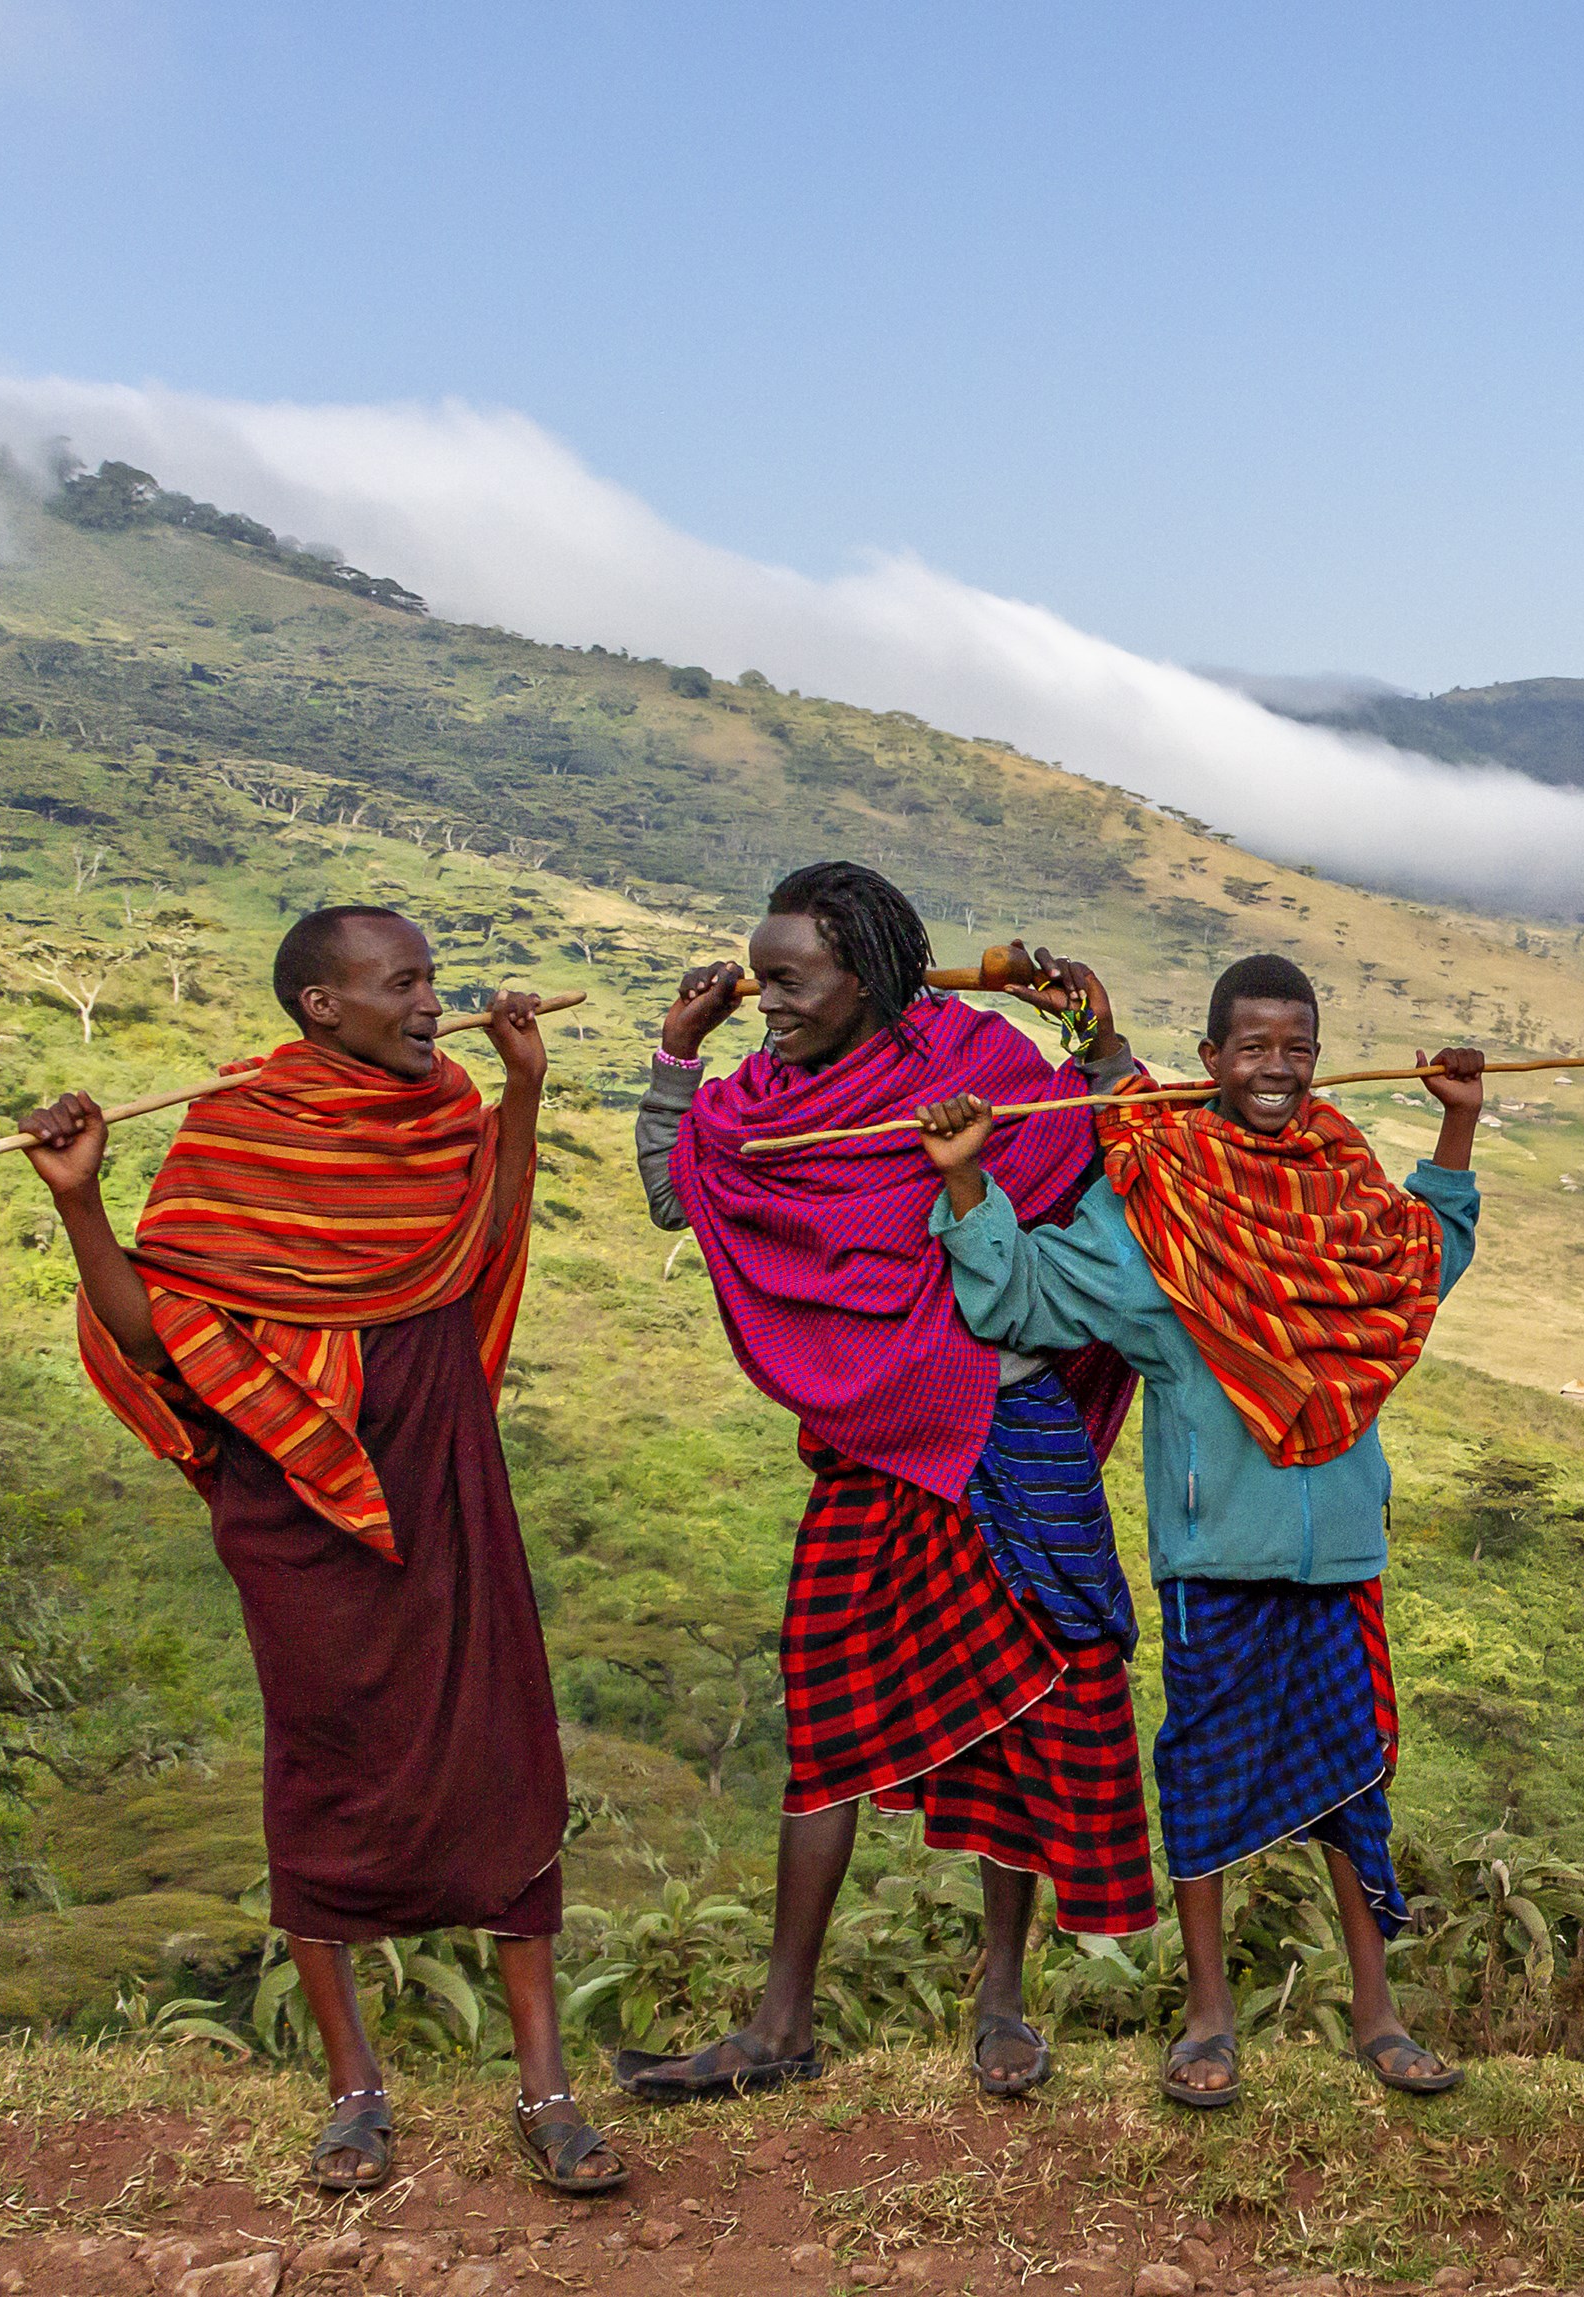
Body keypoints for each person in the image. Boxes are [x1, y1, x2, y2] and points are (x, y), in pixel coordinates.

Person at [19, 908, 622, 2198]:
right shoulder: (235, 1132)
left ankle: (547, 2091)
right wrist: (85, 1207)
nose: (429, 1004)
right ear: (321, 1007)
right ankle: (356, 2096)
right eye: (402, 985)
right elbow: (150, 1336)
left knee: (502, 1753)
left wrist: (521, 1091)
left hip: (443, 1463)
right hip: (293, 1492)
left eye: (431, 984)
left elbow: (487, 1244)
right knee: (324, 1771)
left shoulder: (449, 1101)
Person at [913, 951, 1484, 2111]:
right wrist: (967, 1187)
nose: (1277, 1068)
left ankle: (1377, 2017)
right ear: (1212, 1059)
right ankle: (1208, 2020)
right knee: (1208, 1782)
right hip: (1213, 1556)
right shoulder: (1158, 1212)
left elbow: (1426, 1260)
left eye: (1298, 1048)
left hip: (1342, 1562)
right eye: (1253, 1048)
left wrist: (1457, 1131)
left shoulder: (1346, 1186)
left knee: (1354, 1788)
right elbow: (1018, 1291)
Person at [622, 861, 1155, 2104]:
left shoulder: (972, 1057)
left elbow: (1102, 1156)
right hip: (870, 1450)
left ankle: (1002, 2003)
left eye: (791, 983)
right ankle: (781, 2026)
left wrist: (1100, 1037)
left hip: (1005, 1432)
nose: (769, 1006)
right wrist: (672, 1058)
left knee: (1024, 1705)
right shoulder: (751, 1100)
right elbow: (671, 1198)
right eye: (760, 984)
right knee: (823, 1717)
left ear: (865, 972)